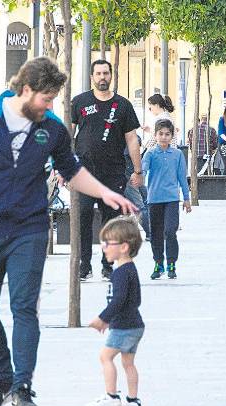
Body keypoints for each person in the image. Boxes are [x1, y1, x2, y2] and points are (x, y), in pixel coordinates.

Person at [0, 57, 137, 406]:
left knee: (24, 307)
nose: (50, 106)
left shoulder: (53, 128)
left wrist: (105, 192)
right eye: (46, 99)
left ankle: (22, 387)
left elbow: (71, 170)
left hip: (29, 229)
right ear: (26, 90)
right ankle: (1, 377)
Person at [72, 59, 143, 281]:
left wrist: (138, 170)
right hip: (84, 173)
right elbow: (67, 134)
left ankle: (108, 264)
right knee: (83, 215)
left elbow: (132, 139)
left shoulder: (123, 105)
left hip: (113, 173)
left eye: (106, 73)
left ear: (111, 76)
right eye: (98, 73)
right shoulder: (80, 102)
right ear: (92, 77)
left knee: (111, 221)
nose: (102, 77)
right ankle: (84, 265)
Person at [86, 217, 145, 406]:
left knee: (105, 357)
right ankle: (133, 400)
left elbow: (118, 300)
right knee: (128, 363)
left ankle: (111, 396)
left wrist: (102, 319)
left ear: (124, 247)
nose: (104, 248)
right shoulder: (129, 269)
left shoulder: (120, 272)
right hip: (134, 324)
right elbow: (134, 300)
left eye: (107, 243)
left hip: (124, 326)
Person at [142, 119, 191, 280]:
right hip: (154, 199)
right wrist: (139, 174)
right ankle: (158, 264)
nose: (164, 137)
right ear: (155, 135)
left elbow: (182, 178)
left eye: (167, 134)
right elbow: (143, 169)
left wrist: (186, 198)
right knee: (156, 234)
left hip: (171, 199)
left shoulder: (177, 155)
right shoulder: (150, 154)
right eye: (161, 134)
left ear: (172, 136)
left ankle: (171, 263)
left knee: (170, 231)